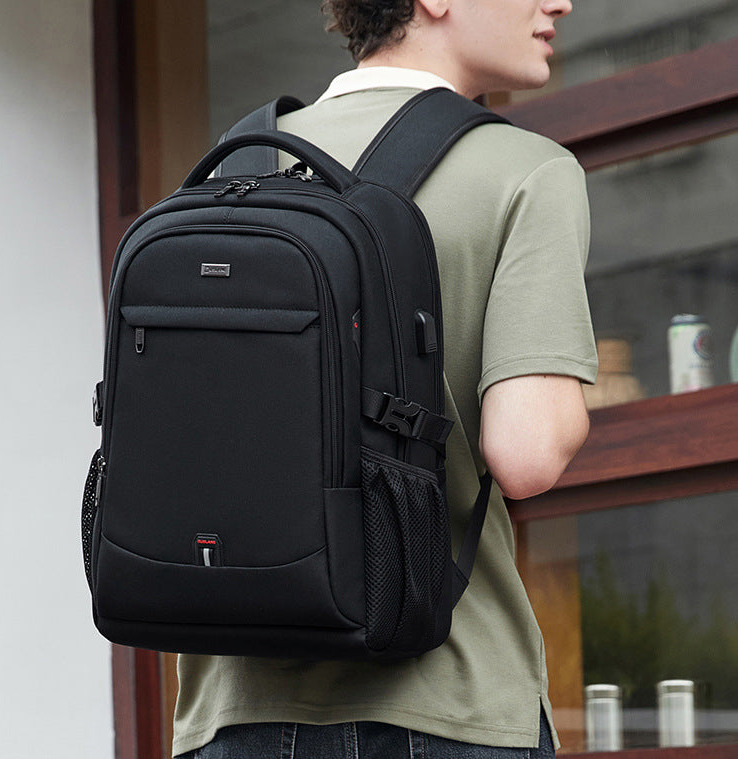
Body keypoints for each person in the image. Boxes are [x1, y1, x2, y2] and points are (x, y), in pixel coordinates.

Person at [173, 1, 597, 757]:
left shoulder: (231, 170)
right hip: (445, 699)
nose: (560, 1)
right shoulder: (526, 169)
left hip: (231, 708)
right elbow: (527, 454)